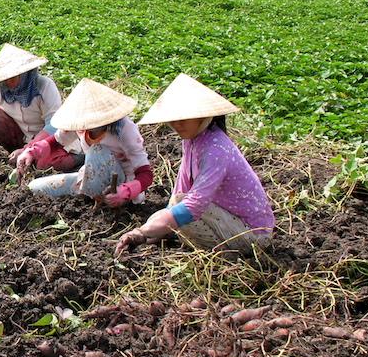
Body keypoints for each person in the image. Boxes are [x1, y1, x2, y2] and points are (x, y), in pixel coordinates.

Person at [114, 73, 275, 257]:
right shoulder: (192, 140)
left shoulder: (216, 148)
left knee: (176, 214)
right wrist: (149, 230)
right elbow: (182, 187)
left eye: (184, 118)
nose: (177, 125)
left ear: (202, 116)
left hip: (252, 235)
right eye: (173, 118)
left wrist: (143, 234)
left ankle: (225, 254)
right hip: (223, 217)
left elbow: (193, 204)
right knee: (160, 217)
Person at [20, 78, 151, 206]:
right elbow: (56, 141)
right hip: (90, 180)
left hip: (120, 190)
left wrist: (125, 192)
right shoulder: (82, 125)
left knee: (97, 151)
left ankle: (99, 200)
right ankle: (90, 196)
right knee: (35, 188)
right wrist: (31, 152)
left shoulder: (124, 130)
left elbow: (145, 173)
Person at [0, 44, 78, 173]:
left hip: (53, 142)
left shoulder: (44, 86)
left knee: (44, 164)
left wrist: (29, 149)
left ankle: (78, 159)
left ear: (24, 73)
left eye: (12, 76)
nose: (8, 81)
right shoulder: (0, 92)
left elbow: (53, 126)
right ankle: (21, 157)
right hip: (25, 140)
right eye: (4, 78)